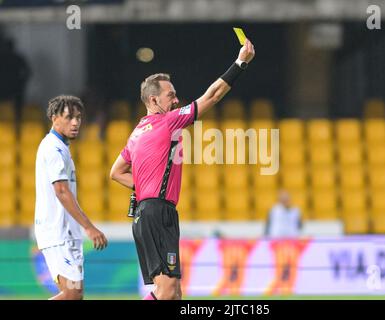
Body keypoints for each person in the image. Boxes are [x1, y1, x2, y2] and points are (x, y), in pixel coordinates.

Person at [110, 39, 255, 300]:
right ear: (154, 100)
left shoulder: (136, 132)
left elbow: (116, 171)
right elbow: (213, 95)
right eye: (170, 96)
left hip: (149, 212)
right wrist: (240, 63)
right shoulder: (167, 122)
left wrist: (142, 188)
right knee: (166, 291)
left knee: (175, 292)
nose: (177, 100)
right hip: (157, 213)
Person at [34, 95, 108, 300]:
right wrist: (89, 227)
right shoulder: (54, 148)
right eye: (69, 117)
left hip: (67, 234)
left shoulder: (62, 148)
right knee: (73, 294)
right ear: (53, 118)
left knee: (75, 294)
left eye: (78, 117)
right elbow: (61, 191)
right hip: (58, 233)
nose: (75, 122)